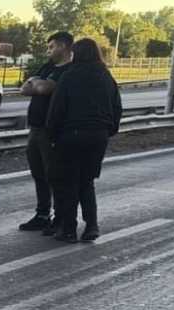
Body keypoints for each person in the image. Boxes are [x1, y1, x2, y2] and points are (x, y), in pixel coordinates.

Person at [46, 38, 123, 243]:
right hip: (98, 136)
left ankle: (69, 229)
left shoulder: (70, 76)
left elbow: (57, 109)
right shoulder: (106, 77)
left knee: (69, 183)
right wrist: (109, 130)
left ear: (76, 54)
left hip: (72, 135)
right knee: (86, 182)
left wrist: (52, 136)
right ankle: (92, 226)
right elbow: (116, 107)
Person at [18, 32, 73, 235]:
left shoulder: (69, 70)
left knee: (55, 176)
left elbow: (41, 88)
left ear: (63, 47)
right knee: (38, 174)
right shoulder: (48, 67)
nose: (48, 51)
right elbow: (25, 88)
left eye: (51, 47)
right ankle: (42, 214)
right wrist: (36, 84)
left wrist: (37, 83)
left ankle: (60, 217)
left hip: (52, 131)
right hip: (35, 128)